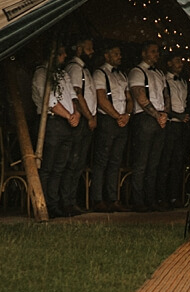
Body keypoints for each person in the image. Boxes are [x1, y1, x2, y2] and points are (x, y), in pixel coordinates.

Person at [32, 44, 80, 218]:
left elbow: (72, 95)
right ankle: (44, 203)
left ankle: (55, 202)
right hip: (51, 122)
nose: (65, 56)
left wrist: (75, 113)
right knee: (48, 166)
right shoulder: (41, 74)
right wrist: (68, 115)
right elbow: (49, 101)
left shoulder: (63, 74)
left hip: (67, 122)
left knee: (60, 166)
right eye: (61, 54)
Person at [128, 39, 170, 212]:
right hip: (145, 118)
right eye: (152, 51)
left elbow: (166, 95)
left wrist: (165, 113)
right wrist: (156, 115)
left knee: (154, 163)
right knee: (142, 162)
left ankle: (151, 199)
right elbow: (140, 96)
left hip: (161, 117)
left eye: (157, 52)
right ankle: (138, 200)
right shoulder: (137, 72)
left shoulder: (159, 73)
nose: (156, 55)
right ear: (144, 53)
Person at [90, 41, 131, 212]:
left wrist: (127, 115)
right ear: (106, 55)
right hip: (108, 120)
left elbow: (129, 98)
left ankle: (113, 198)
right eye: (115, 53)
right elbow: (101, 98)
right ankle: (98, 199)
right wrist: (117, 116)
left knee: (115, 161)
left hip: (122, 120)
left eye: (119, 54)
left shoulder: (122, 75)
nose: (119, 56)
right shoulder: (100, 73)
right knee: (102, 160)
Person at [61, 35, 96, 216]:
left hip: (86, 119)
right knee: (73, 161)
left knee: (79, 161)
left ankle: (71, 199)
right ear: (80, 49)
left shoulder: (85, 69)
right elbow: (77, 95)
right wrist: (89, 116)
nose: (92, 52)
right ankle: (67, 201)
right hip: (81, 119)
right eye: (89, 48)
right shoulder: (75, 69)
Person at [160, 51, 190, 208]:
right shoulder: (164, 81)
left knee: (178, 161)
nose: (180, 64)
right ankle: (163, 196)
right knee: (166, 160)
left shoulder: (183, 82)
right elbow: (164, 104)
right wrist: (177, 116)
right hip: (171, 123)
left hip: (181, 125)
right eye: (177, 61)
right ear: (169, 63)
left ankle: (175, 195)